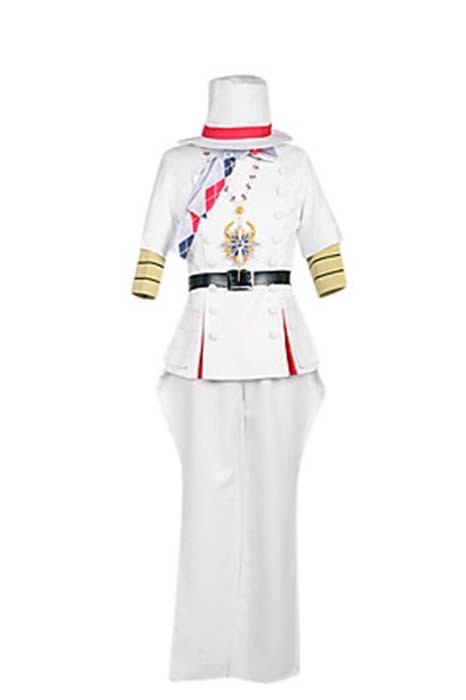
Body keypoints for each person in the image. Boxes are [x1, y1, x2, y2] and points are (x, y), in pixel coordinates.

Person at [131, 74, 347, 682]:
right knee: (205, 499)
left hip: (279, 339)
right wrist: (147, 278)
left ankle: (270, 657)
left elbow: (322, 241)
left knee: (276, 502)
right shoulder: (179, 165)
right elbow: (153, 243)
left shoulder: (295, 164)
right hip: (206, 339)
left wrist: (329, 279)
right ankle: (203, 656)